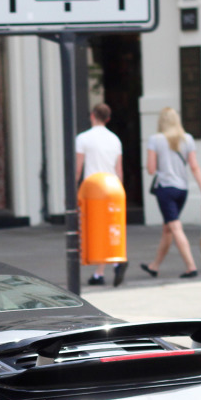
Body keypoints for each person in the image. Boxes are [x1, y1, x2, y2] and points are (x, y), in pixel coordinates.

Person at [141, 107, 201, 279]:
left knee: (175, 227)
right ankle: (155, 266)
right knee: (168, 229)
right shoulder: (187, 139)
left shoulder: (155, 139)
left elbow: (151, 169)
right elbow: (194, 166)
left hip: (166, 189)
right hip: (182, 189)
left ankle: (191, 266)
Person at [75, 103, 125, 286]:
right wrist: (120, 192)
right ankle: (108, 267)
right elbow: (119, 170)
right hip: (112, 189)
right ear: (108, 119)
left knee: (92, 229)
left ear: (92, 116)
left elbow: (78, 168)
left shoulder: (83, 138)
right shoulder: (115, 139)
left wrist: (73, 188)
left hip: (93, 189)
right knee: (109, 229)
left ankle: (98, 270)